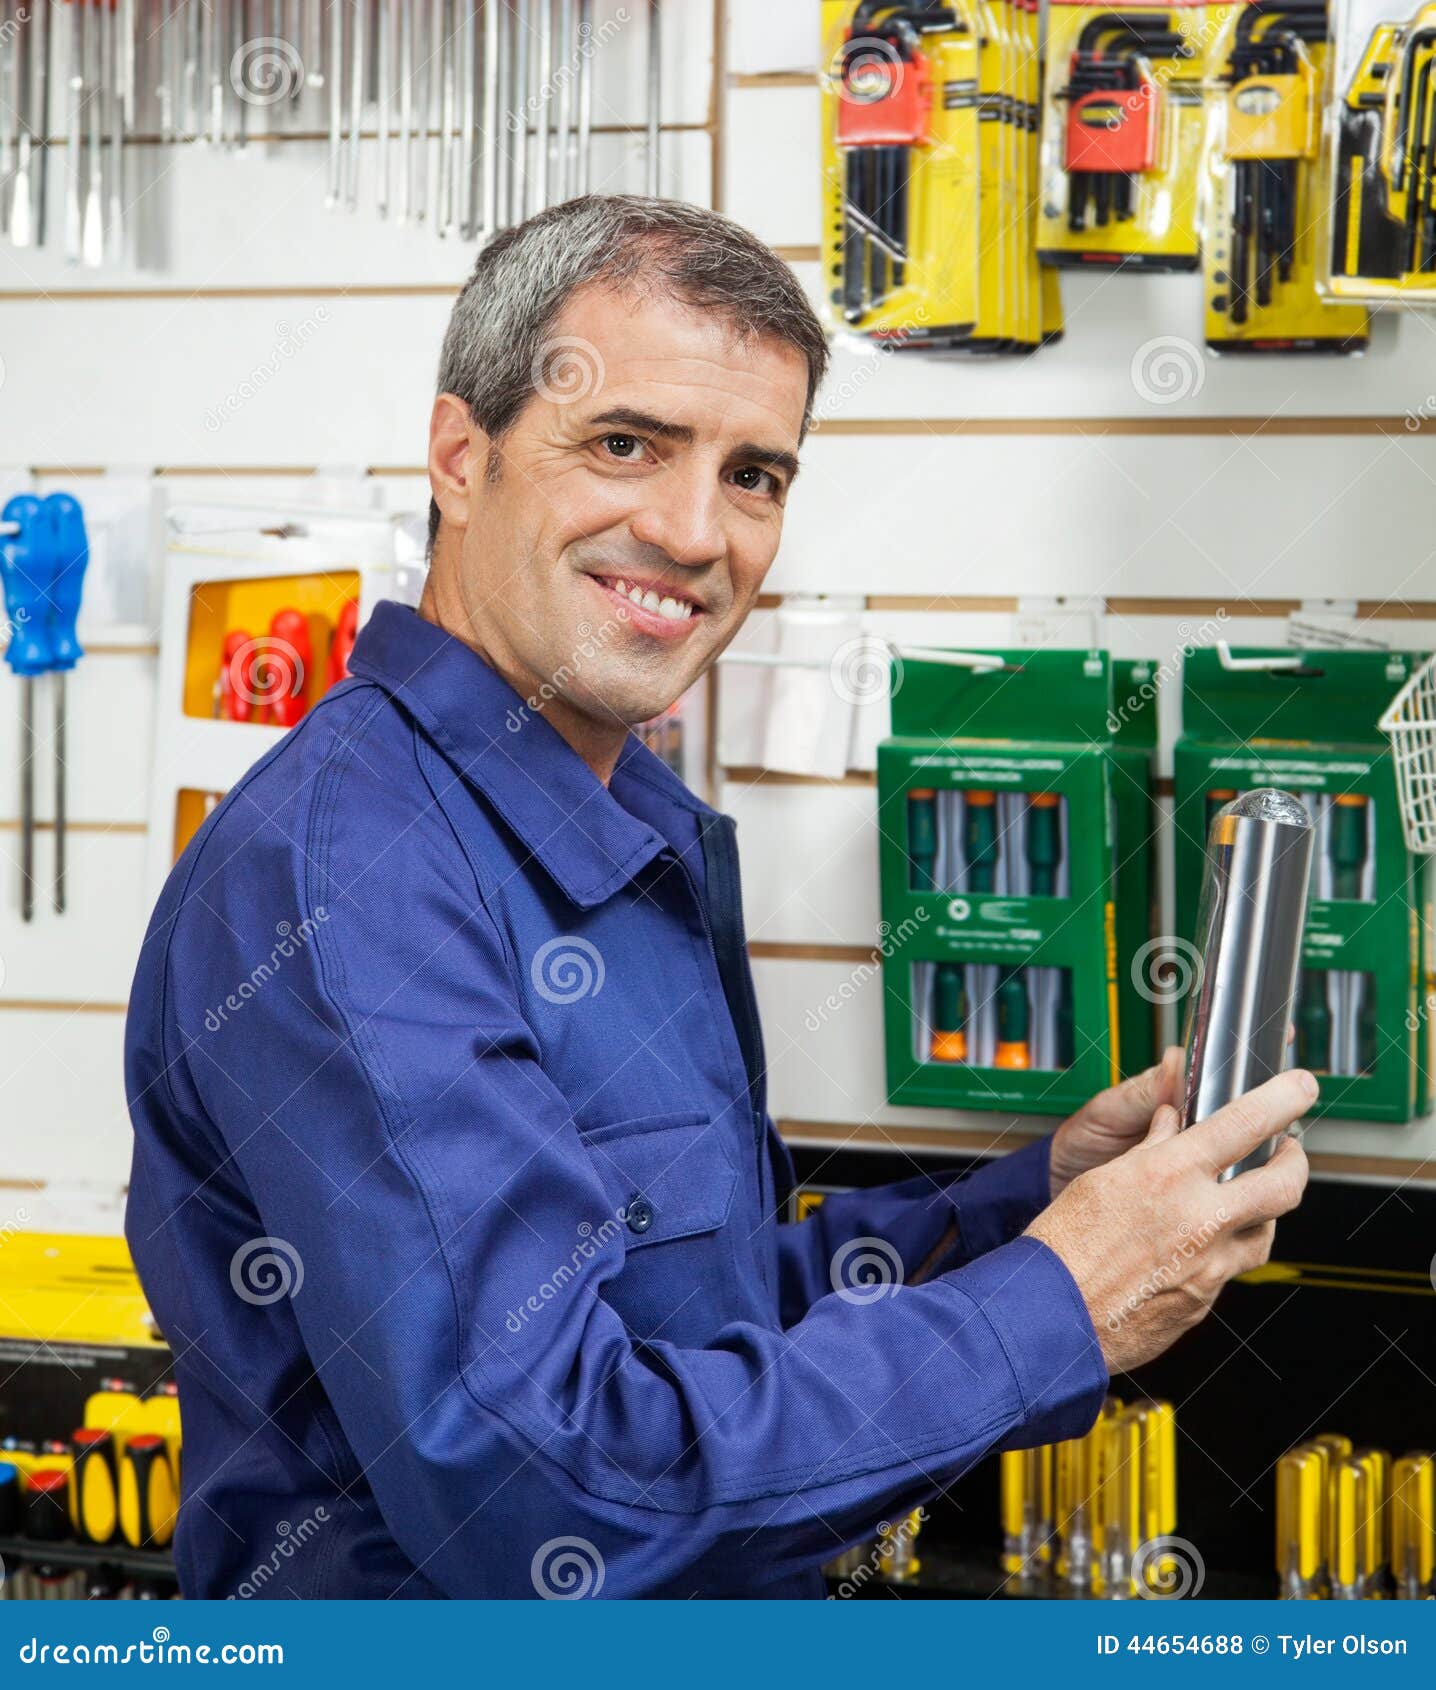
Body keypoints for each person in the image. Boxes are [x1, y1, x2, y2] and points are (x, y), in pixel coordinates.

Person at [124, 195, 1313, 1599]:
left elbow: (700, 1317)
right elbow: (546, 1485)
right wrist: (1056, 1303)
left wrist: (1036, 1208)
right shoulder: (352, 872)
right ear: (461, 456)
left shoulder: (610, 818)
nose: (695, 532)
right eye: (626, 444)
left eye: (755, 474)